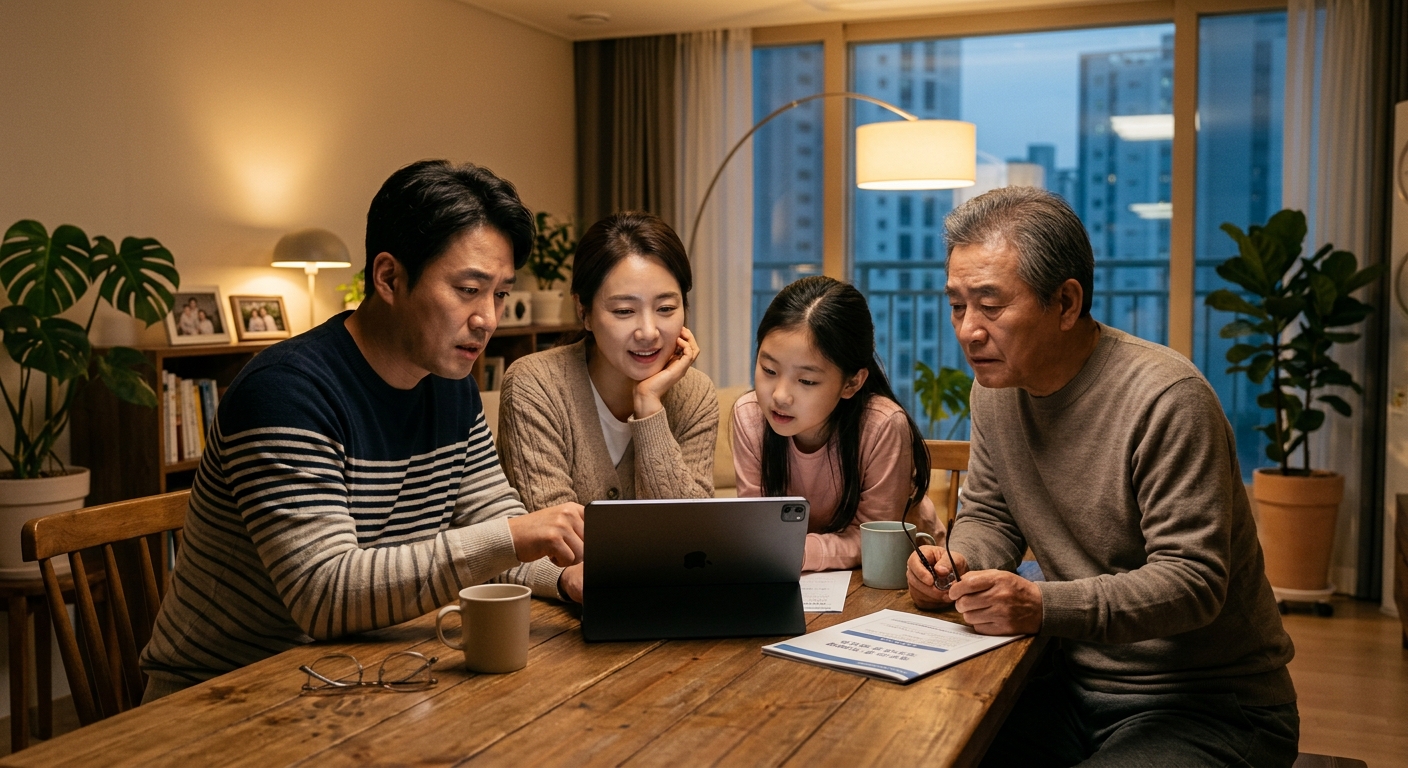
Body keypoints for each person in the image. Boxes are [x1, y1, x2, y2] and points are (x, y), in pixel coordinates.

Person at [139, 160, 585, 700]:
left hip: (361, 677)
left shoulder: (451, 383)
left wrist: (563, 577)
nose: (487, 318)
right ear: (389, 278)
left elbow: (493, 527)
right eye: (468, 289)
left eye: (499, 294)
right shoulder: (285, 394)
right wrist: (517, 537)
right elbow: (323, 594)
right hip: (222, 696)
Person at [906, 186, 1298, 767]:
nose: (968, 330)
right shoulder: (995, 390)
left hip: (1208, 703)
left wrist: (1042, 606)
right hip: (1069, 684)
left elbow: (1193, 581)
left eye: (990, 305)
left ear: (1066, 303)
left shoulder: (1167, 398)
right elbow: (990, 514)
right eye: (957, 305)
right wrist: (958, 561)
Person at [496, 211, 718, 603]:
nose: (649, 331)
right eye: (623, 311)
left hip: (673, 609)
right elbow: (555, 546)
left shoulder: (695, 394)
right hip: (562, 618)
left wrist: (649, 407)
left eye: (666, 309)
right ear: (584, 312)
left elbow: (692, 540)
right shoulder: (535, 383)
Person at [732, 276, 939, 572]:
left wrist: (795, 551)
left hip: (904, 573)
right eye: (768, 369)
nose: (779, 396)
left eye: (806, 380)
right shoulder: (750, 416)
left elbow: (875, 538)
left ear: (852, 382)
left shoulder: (882, 425)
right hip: (800, 575)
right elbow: (759, 529)